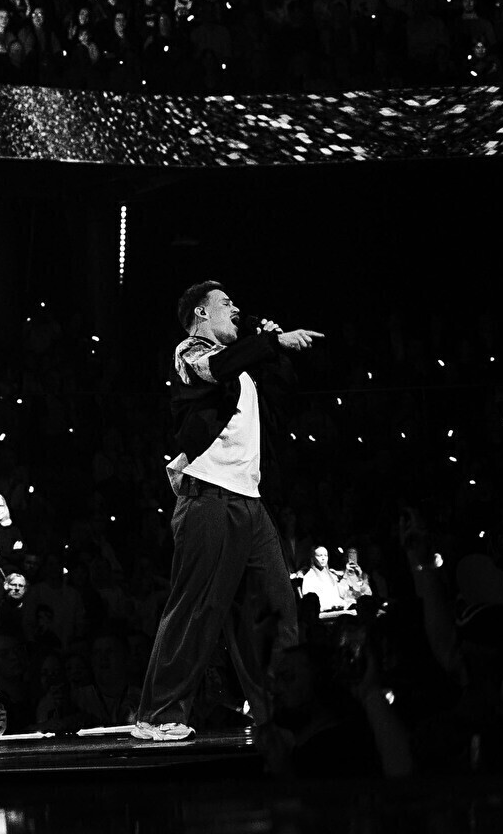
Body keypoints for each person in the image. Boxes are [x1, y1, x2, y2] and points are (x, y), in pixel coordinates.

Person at [130, 282, 323, 745]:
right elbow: (216, 369)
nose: (236, 307)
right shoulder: (190, 352)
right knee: (198, 608)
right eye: (226, 303)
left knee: (274, 610)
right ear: (201, 313)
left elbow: (282, 393)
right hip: (209, 496)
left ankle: (277, 710)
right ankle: (159, 714)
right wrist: (268, 341)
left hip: (250, 502)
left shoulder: (244, 366)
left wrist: (275, 349)